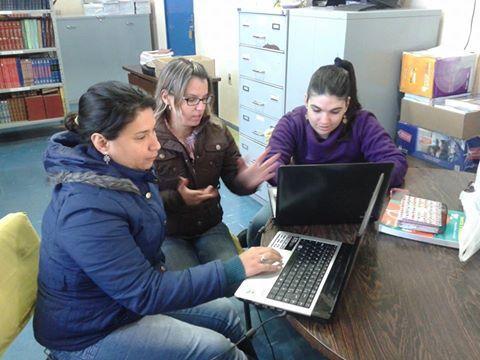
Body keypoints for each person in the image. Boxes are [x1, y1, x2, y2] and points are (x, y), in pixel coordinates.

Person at [33, 81, 282, 360]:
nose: (156, 144)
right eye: (141, 137)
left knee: (229, 315)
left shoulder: (124, 166)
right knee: (216, 349)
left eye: (153, 130)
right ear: (101, 142)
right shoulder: (85, 210)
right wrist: (235, 268)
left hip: (122, 300)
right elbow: (146, 292)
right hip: (90, 330)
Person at [247, 57, 408, 246]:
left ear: (347, 105)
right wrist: (275, 175)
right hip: (301, 203)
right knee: (257, 225)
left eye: (334, 111)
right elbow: (274, 164)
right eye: (316, 110)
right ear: (306, 100)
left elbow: (395, 161)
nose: (324, 120)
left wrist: (368, 183)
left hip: (350, 208)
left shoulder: (363, 122)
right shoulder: (292, 122)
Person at [153, 58, 280, 271]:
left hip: (210, 226)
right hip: (169, 234)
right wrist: (177, 198)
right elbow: (138, 198)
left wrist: (247, 180)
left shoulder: (217, 131)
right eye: (191, 100)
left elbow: (234, 182)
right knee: (192, 292)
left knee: (233, 283)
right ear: (166, 97)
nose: (200, 108)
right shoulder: (148, 137)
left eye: (205, 99)